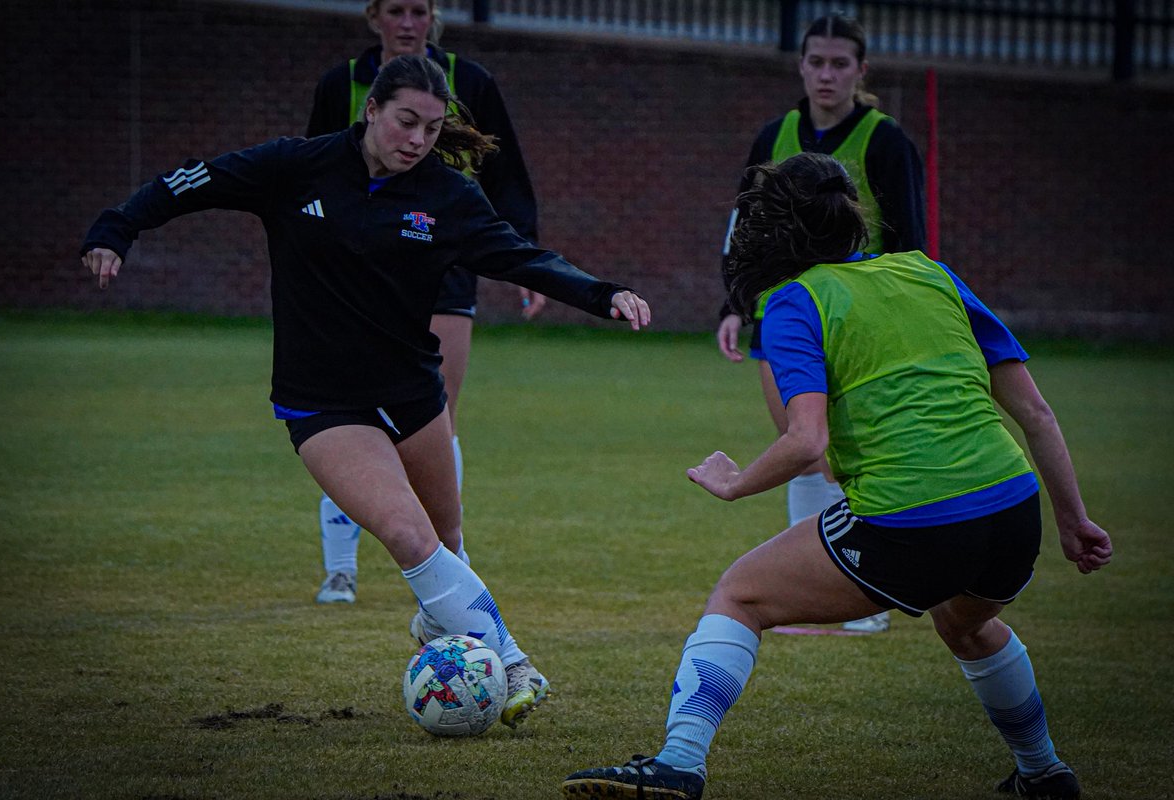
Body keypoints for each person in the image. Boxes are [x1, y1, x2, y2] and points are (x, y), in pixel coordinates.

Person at [81, 54, 651, 729]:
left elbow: (522, 257)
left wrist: (603, 294)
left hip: (412, 393)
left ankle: (441, 628)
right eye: (406, 121)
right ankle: (513, 660)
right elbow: (191, 181)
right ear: (371, 109)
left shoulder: (447, 196)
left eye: (432, 129)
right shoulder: (297, 166)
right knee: (409, 536)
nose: (418, 140)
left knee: (447, 543)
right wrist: (116, 227)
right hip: (323, 402)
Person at [562, 152, 1111, 799]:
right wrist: (1073, 521)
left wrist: (734, 482)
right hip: (1013, 510)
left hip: (913, 517)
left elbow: (806, 441)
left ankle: (678, 762)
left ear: (770, 233)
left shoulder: (794, 301)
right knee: (965, 623)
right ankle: (1043, 771)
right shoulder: (929, 271)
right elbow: (1036, 413)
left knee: (739, 595)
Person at [307, 0, 547, 605]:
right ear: (374, 16)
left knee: (438, 416)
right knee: (346, 417)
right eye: (397, 10)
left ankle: (448, 566)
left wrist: (527, 261)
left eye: (420, 10)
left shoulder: (471, 82)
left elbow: (507, 177)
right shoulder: (341, 84)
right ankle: (340, 570)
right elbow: (311, 174)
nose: (409, 22)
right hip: (354, 277)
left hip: (442, 268)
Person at [716, 13, 926, 633]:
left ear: (862, 70)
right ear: (800, 66)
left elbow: (910, 242)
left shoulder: (885, 141)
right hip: (781, 317)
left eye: (840, 63)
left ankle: (867, 600)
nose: (826, 74)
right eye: (816, 62)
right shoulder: (773, 136)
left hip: (858, 323)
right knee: (800, 448)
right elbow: (742, 228)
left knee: (846, 455)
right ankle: (808, 596)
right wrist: (733, 305)